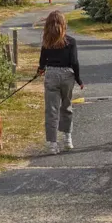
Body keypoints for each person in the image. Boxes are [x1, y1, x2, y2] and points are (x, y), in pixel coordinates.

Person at [37, 10, 84, 154]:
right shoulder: (71, 41)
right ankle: (68, 139)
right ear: (64, 25)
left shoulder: (46, 42)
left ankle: (52, 144)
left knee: (51, 110)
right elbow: (74, 62)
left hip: (51, 74)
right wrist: (78, 79)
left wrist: (40, 70)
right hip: (67, 75)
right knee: (66, 106)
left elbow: (42, 61)